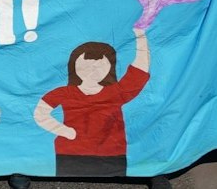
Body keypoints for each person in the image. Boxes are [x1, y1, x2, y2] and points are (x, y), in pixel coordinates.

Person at [34, 29, 151, 177]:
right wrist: (63, 131)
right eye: (87, 65)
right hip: (70, 154)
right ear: (75, 65)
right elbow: (40, 112)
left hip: (111, 154)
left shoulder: (116, 93)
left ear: (110, 67)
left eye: (99, 65)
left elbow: (139, 71)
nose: (92, 70)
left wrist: (141, 35)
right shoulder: (65, 93)